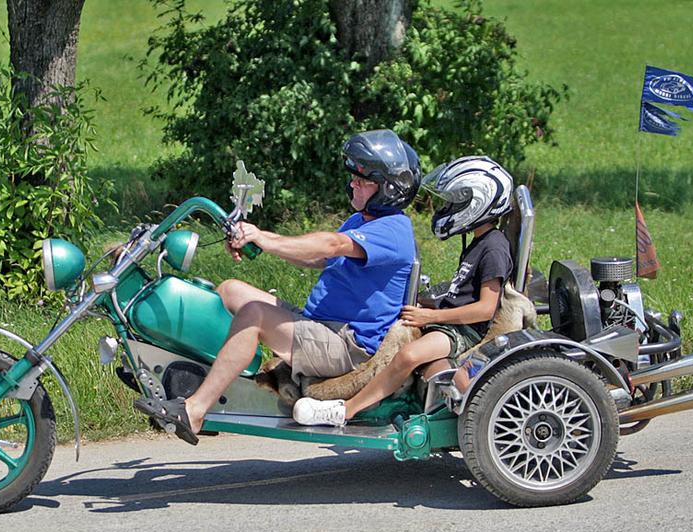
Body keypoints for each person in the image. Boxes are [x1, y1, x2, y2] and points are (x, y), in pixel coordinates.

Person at [134, 129, 421, 444]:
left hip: (349, 347)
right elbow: (317, 257)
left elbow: (332, 244)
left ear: (389, 189)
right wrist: (260, 239)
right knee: (231, 290)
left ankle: (196, 410)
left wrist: (265, 239)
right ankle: (194, 381)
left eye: (363, 181)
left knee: (255, 315)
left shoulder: (394, 230)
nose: (352, 184)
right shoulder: (361, 221)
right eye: (353, 177)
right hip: (323, 328)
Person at [293, 156, 515, 427]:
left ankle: (345, 410)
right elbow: (463, 293)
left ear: (477, 203)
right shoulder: (479, 242)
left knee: (408, 356)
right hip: (450, 324)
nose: (447, 208)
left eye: (454, 202)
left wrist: (430, 317)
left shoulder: (494, 248)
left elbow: (485, 309)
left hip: (465, 332)